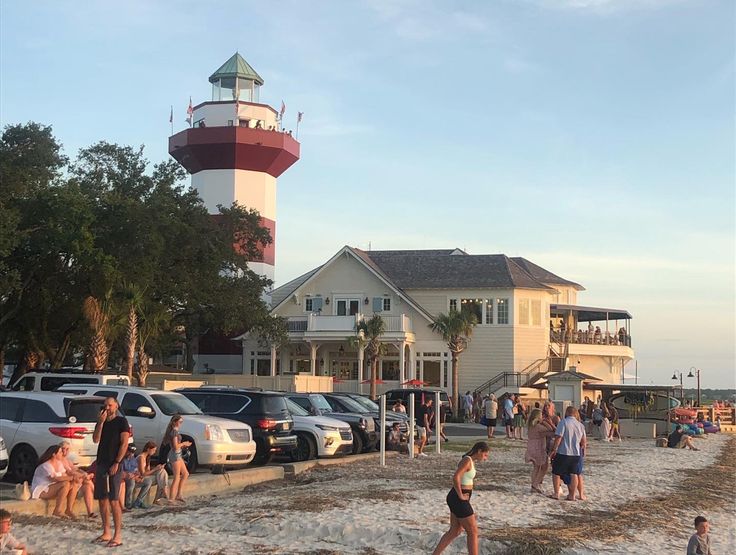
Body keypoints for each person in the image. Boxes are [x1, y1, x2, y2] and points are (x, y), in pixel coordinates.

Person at [432, 441, 490, 555]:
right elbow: (456, 477)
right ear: (479, 451)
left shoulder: (470, 461)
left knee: (455, 531)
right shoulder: (467, 460)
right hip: (457, 498)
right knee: (473, 531)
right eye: (485, 455)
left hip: (458, 498)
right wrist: (460, 495)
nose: (486, 458)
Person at [91, 396, 131, 548]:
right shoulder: (102, 421)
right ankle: (106, 531)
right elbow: (95, 439)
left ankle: (117, 535)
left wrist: (117, 462)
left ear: (116, 406)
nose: (107, 408)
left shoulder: (121, 422)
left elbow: (124, 443)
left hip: (114, 463)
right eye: (105, 405)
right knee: (102, 499)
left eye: (110, 405)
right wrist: (100, 422)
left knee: (114, 500)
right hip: (101, 462)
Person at [549, 406, 587, 501]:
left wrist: (554, 449)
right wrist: (583, 452)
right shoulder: (580, 425)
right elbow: (583, 442)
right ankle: (572, 495)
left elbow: (559, 437)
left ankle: (556, 493)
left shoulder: (563, 422)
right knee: (573, 473)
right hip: (576, 453)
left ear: (567, 413)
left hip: (564, 452)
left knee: (556, 472)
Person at [30, 445, 74, 518]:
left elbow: (64, 475)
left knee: (73, 484)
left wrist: (74, 478)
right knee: (65, 483)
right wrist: (71, 478)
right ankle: (57, 510)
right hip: (42, 489)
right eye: (60, 452)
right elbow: (54, 479)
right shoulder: (46, 465)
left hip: (52, 487)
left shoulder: (59, 463)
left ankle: (69, 509)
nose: (62, 454)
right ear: (54, 454)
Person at [58, 441, 96, 519]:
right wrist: (84, 476)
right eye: (63, 449)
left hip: (74, 481)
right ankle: (96, 493)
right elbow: (70, 472)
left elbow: (76, 469)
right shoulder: (59, 460)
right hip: (66, 482)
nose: (65, 451)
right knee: (87, 481)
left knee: (87, 485)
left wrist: (84, 474)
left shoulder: (67, 460)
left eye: (67, 449)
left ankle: (90, 512)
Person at [525, 408, 556, 494]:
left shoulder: (531, 426)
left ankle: (534, 484)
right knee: (544, 467)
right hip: (538, 447)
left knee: (536, 467)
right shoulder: (538, 427)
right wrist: (546, 422)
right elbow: (550, 430)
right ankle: (535, 485)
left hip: (531, 446)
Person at [163, 414, 191, 503]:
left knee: (185, 474)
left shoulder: (175, 431)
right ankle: (171, 498)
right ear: (175, 422)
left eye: (181, 422)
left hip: (178, 454)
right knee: (177, 477)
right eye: (180, 422)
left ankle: (179, 494)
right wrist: (184, 444)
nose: (181, 424)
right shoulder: (174, 432)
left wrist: (182, 445)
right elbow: (175, 446)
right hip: (175, 455)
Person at [133, 442, 169, 508]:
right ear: (148, 449)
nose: (154, 452)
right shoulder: (141, 457)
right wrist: (155, 469)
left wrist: (158, 468)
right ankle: (162, 494)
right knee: (160, 477)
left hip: (143, 476)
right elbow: (143, 473)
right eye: (153, 450)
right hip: (137, 478)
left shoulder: (147, 457)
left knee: (161, 472)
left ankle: (161, 494)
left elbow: (148, 471)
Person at [121, 446, 141, 510]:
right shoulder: (122, 459)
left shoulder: (133, 459)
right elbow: (121, 472)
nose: (131, 454)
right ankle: (128, 504)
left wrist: (137, 475)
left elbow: (136, 470)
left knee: (148, 481)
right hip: (125, 478)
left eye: (132, 453)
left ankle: (139, 501)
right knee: (131, 482)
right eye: (129, 452)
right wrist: (129, 475)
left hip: (133, 476)